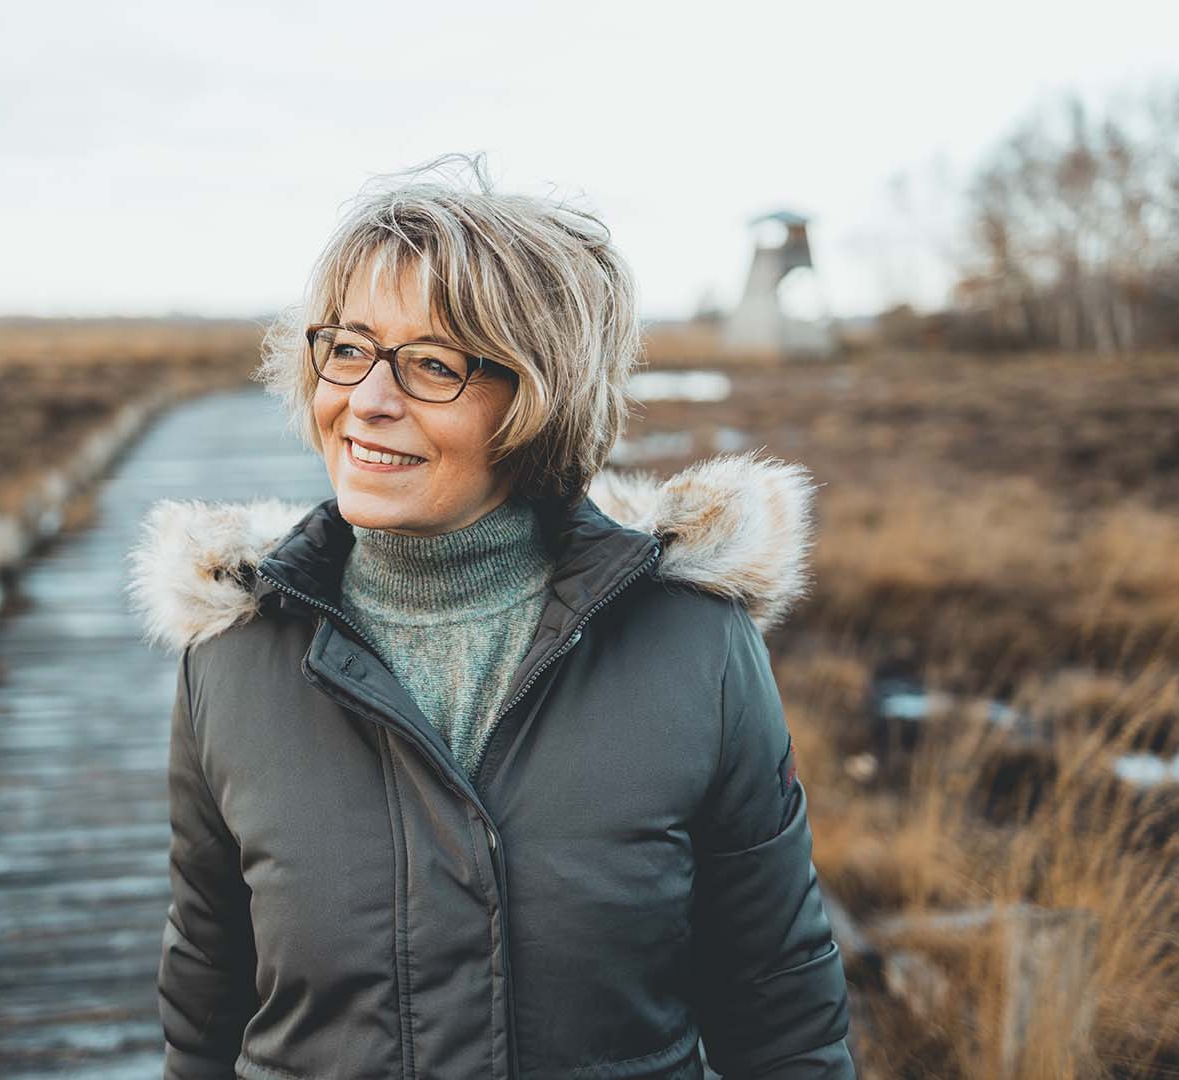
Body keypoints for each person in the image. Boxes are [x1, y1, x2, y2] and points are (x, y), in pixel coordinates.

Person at [127, 152, 855, 1080]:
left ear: (538, 400)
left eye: (431, 363)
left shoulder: (694, 650)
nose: (367, 401)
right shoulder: (231, 657)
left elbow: (780, 1013)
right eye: (346, 349)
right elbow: (203, 1006)